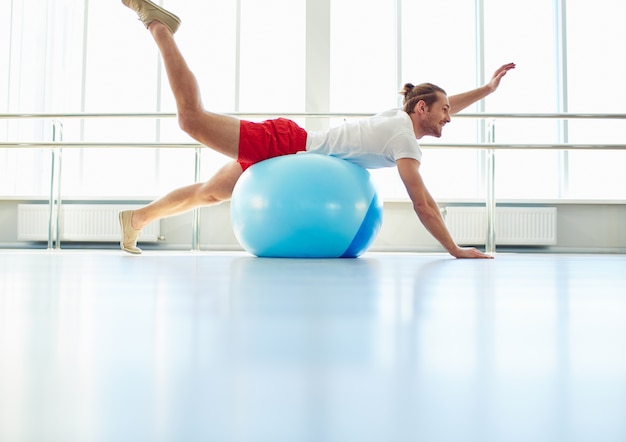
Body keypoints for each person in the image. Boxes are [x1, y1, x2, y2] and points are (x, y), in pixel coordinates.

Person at [119, 0, 516, 258]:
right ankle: (159, 26)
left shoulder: (399, 120)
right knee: (191, 119)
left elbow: (447, 103)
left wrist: (486, 89)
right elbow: (423, 204)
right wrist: (455, 248)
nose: (450, 117)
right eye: (444, 110)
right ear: (422, 108)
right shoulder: (402, 138)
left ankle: (135, 221)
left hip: (289, 159)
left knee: (209, 193)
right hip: (287, 147)